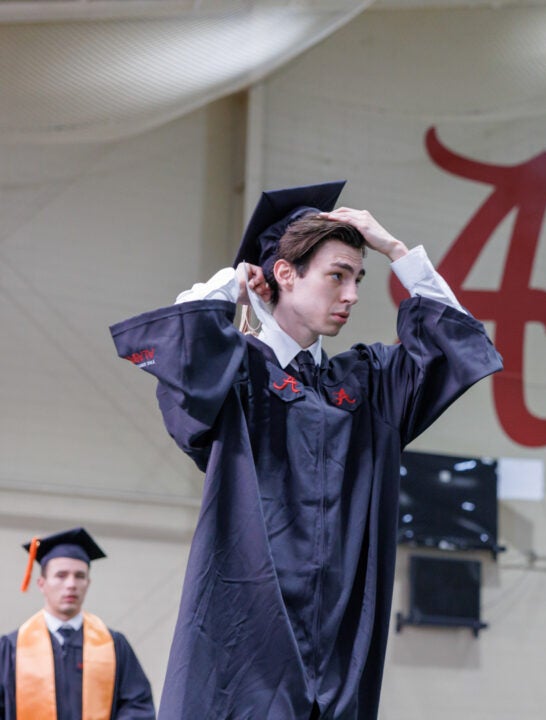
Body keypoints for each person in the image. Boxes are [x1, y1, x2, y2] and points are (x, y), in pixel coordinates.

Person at [109, 181, 503, 719]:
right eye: (337, 275)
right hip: (245, 642)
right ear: (286, 275)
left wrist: (399, 253)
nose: (353, 295)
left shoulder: (366, 385)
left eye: (359, 278)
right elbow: (182, 345)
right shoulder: (238, 374)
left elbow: (454, 343)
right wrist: (229, 284)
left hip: (341, 644)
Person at [0, 527, 156, 720]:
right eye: (61, 575)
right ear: (41, 583)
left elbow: (137, 706)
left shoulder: (114, 645)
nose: (71, 584)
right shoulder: (11, 648)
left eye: (79, 576)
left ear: (88, 583)